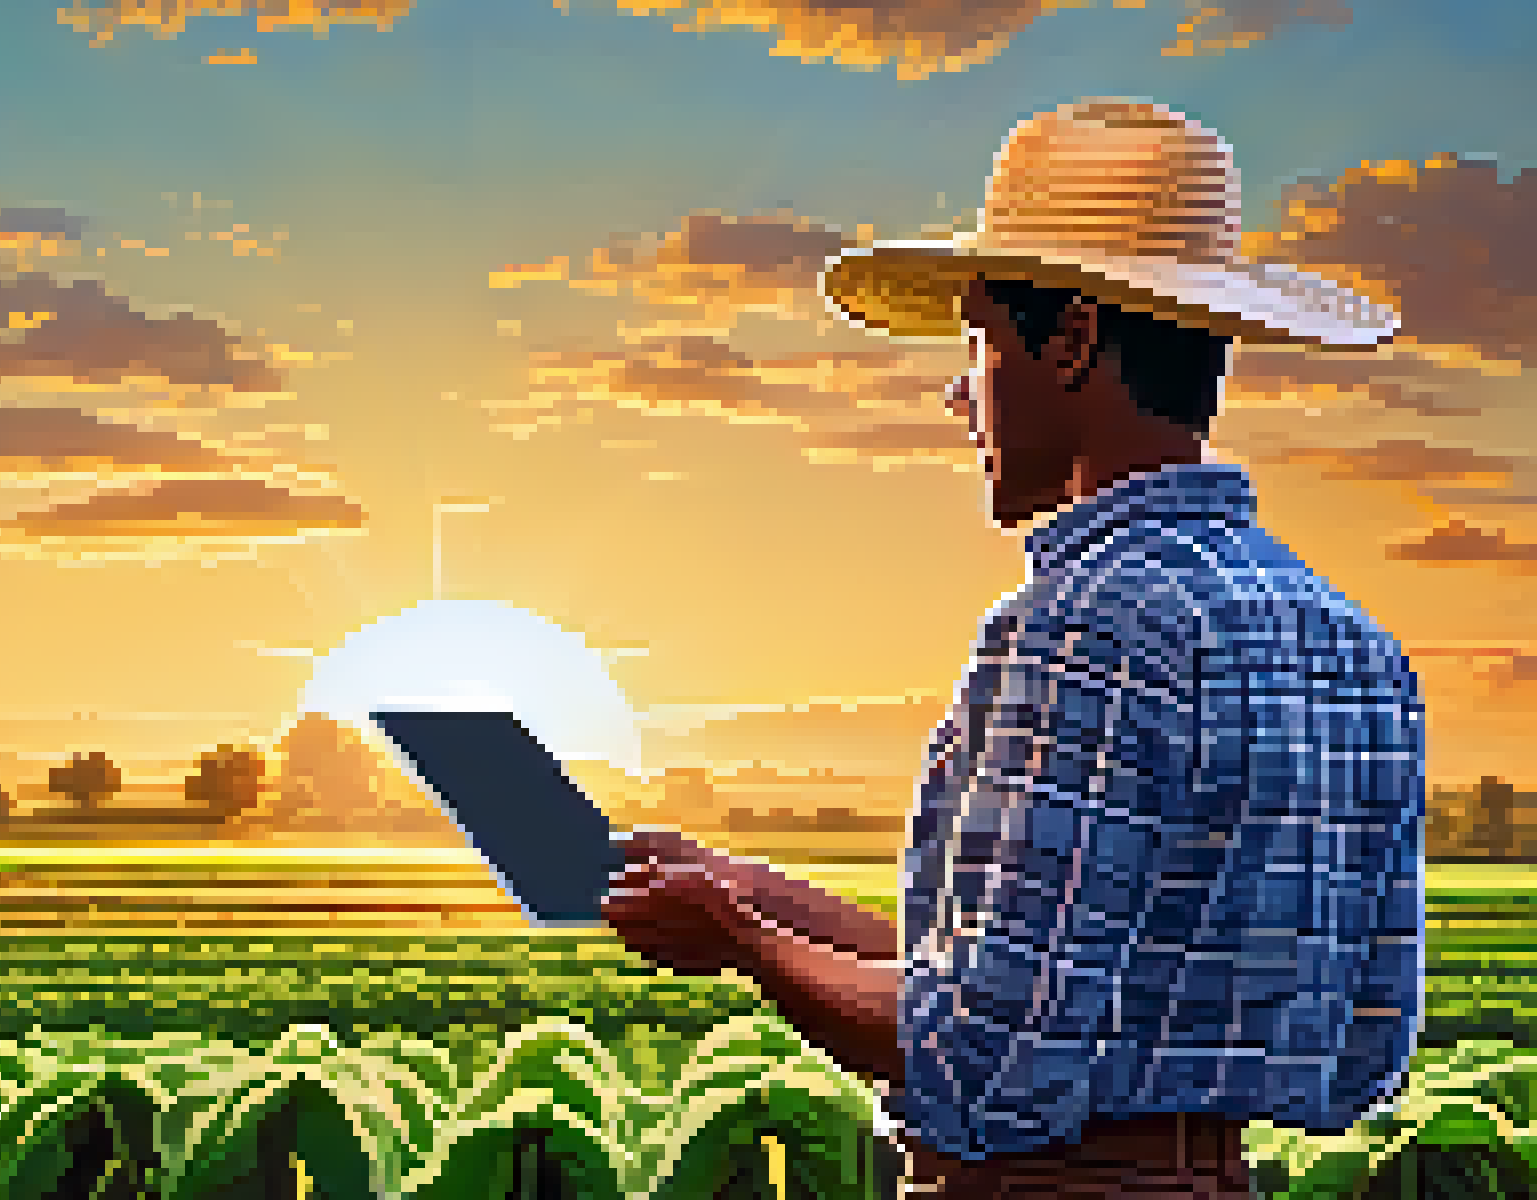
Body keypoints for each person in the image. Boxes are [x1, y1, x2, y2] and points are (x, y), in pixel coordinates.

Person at [603, 98, 1426, 1199]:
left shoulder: (1083, 622)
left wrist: (744, 947)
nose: (962, 389)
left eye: (983, 338)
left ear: (1073, 339)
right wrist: (746, 890)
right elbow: (1354, 1049)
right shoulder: (1353, 644)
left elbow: (979, 1059)